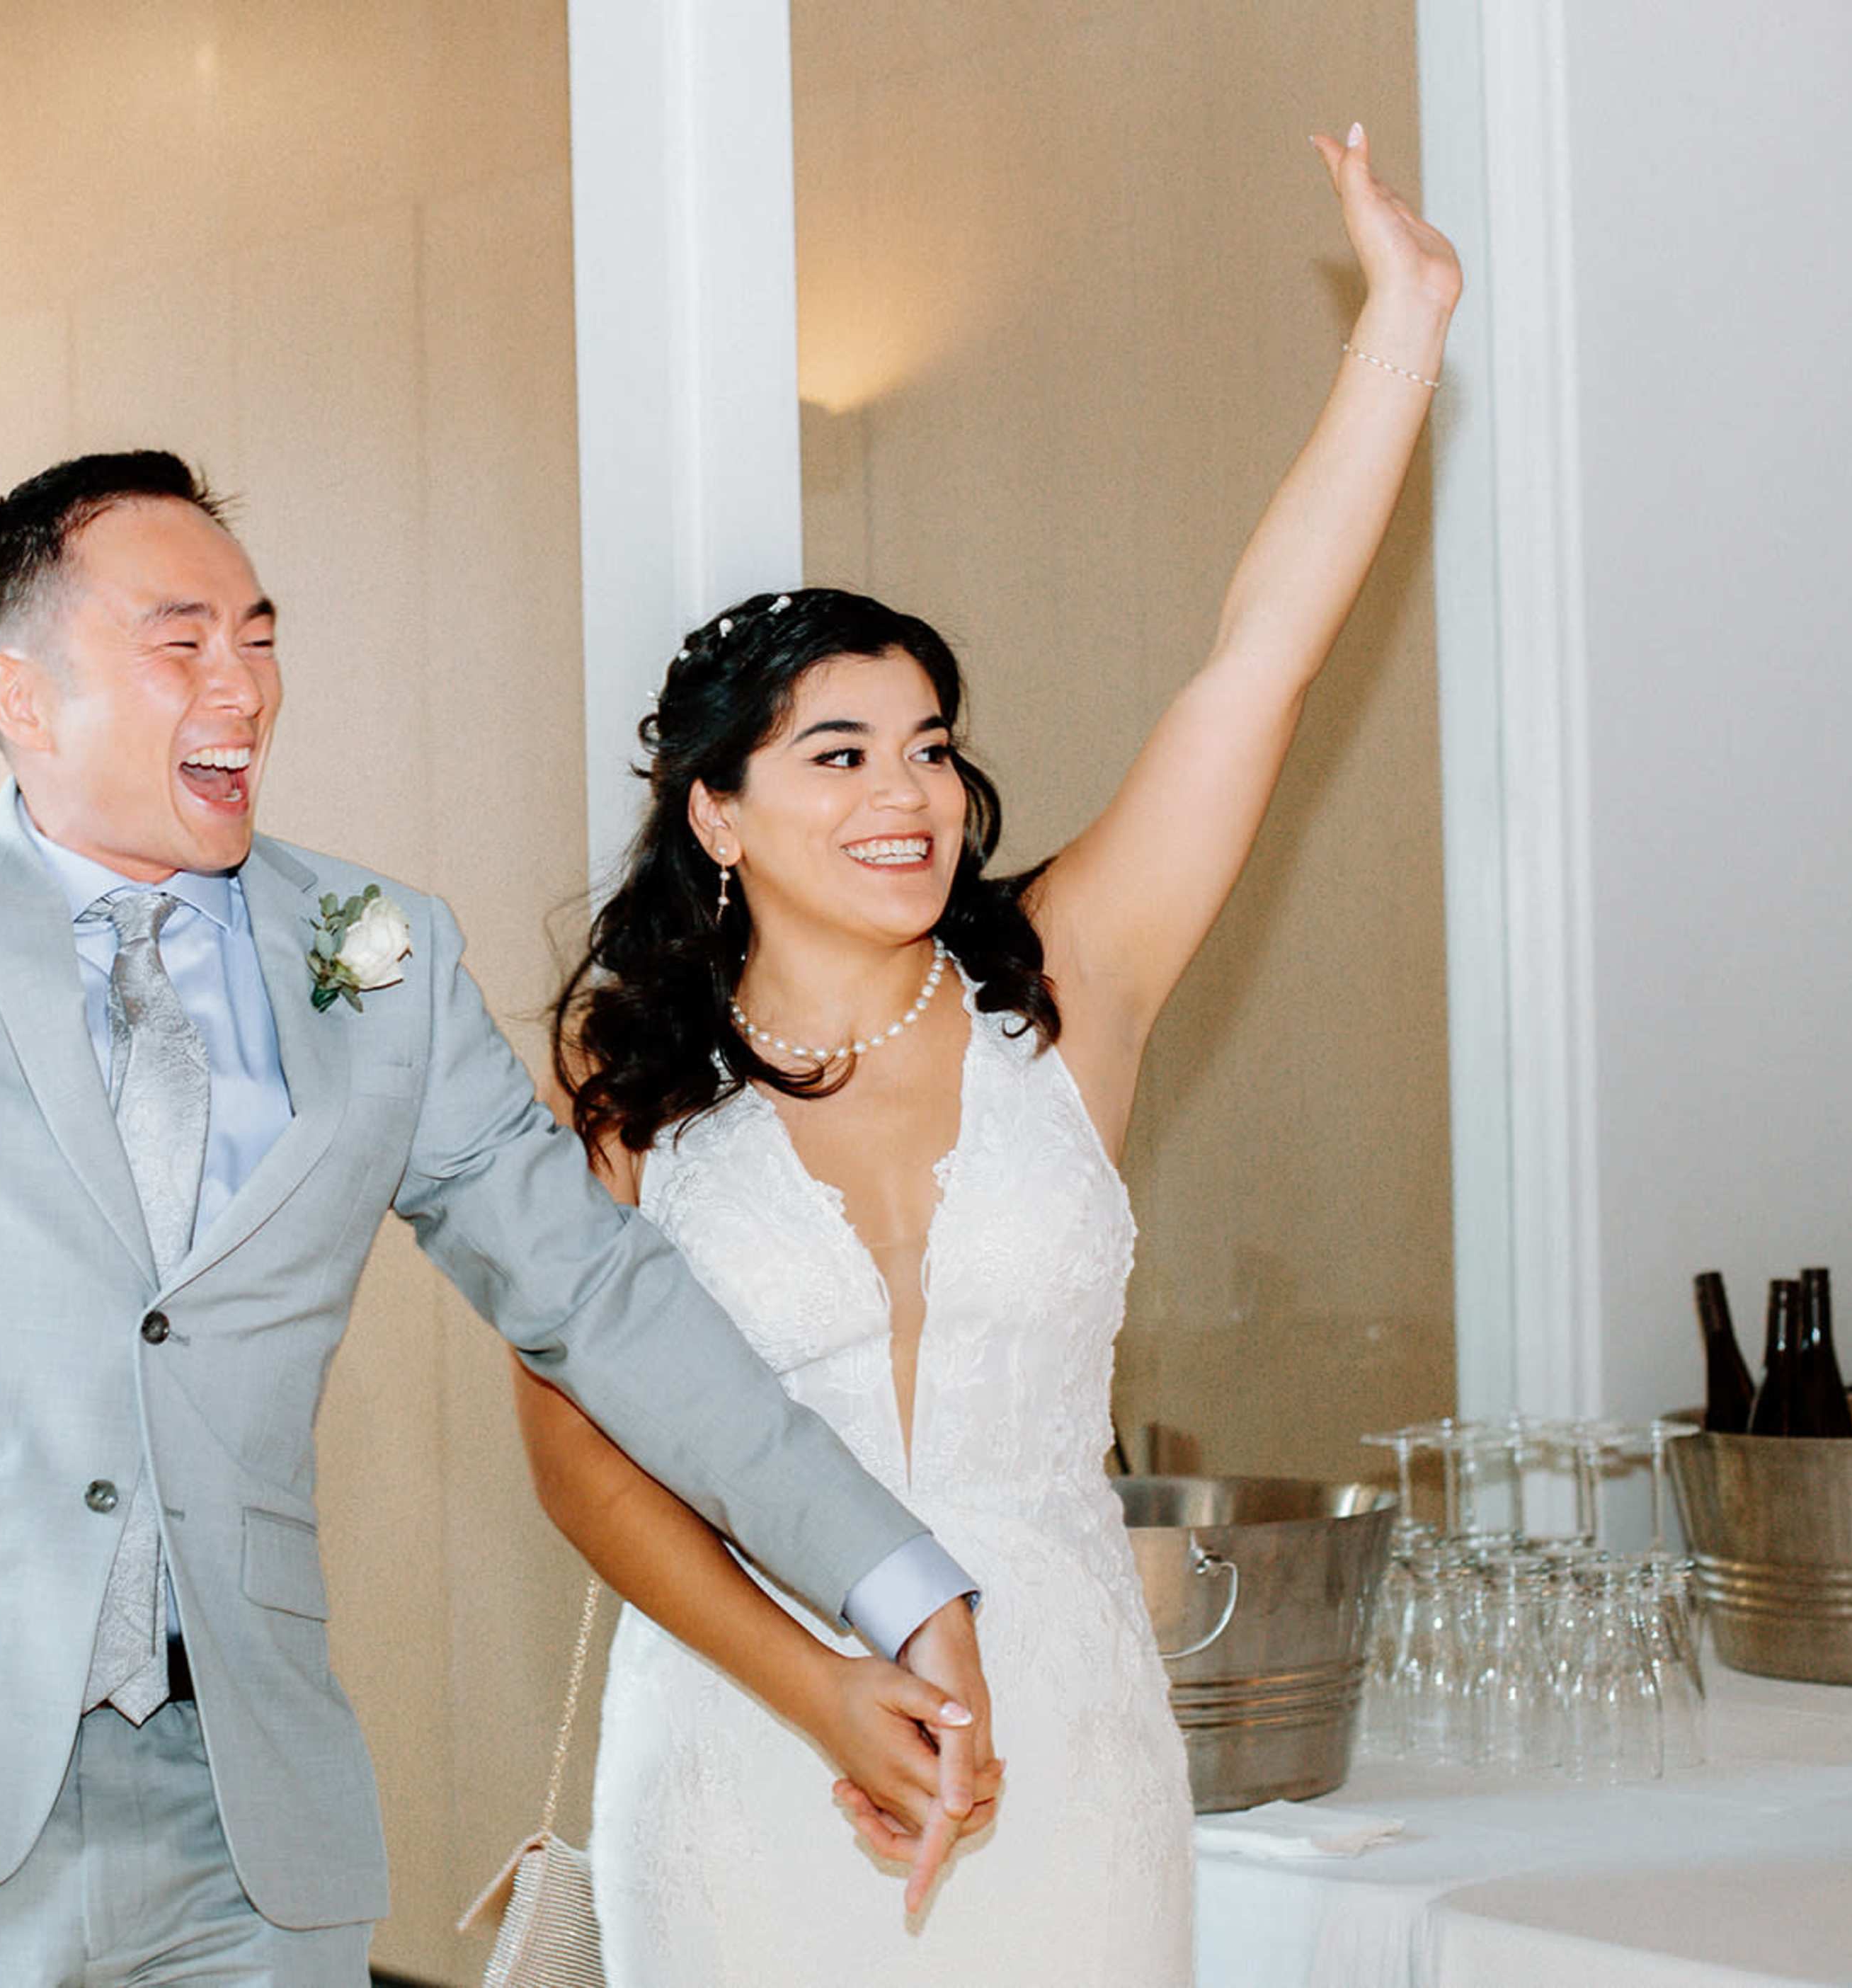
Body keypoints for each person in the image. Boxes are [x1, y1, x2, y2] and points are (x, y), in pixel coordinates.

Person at [0, 88, 1000, 1987]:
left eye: (261, 633)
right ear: (18, 697)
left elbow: (600, 1302)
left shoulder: (373, 951)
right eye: (180, 637)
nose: (245, 682)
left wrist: (891, 1576)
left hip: (247, 1818)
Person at [519, 123, 1461, 1983]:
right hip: (748, 1739)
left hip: (1064, 1739)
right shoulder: (623, 1082)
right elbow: (583, 1467)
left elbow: (1256, 663)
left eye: (932, 744)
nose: (909, 793)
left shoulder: (1067, 982)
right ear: (716, 812)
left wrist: (1404, 329)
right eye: (841, 752)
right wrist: (828, 1695)